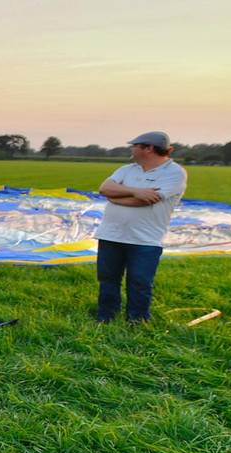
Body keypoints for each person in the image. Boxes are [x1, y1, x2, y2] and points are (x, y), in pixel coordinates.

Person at [94, 131, 187, 323]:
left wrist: (117, 197)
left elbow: (145, 201)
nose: (131, 149)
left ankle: (137, 321)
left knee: (139, 282)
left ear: (148, 148)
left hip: (145, 239)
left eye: (134, 146)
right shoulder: (127, 169)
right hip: (111, 234)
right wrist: (136, 191)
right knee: (108, 279)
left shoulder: (174, 172)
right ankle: (105, 317)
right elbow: (105, 189)